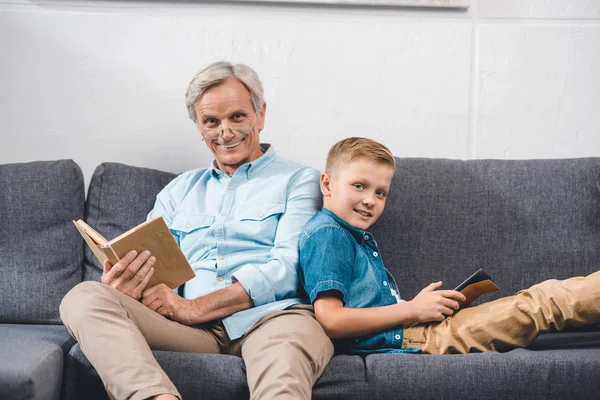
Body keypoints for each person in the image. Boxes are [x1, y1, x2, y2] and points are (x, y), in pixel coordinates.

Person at [60, 61, 333, 400]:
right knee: (84, 296)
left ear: (260, 115)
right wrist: (127, 285)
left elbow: (289, 270)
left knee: (283, 369)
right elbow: (160, 276)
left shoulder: (300, 180)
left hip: (274, 320)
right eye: (211, 121)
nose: (225, 132)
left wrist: (194, 307)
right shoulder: (179, 191)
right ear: (199, 128)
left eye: (237, 116)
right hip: (191, 331)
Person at [299, 136, 600, 355]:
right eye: (359, 186)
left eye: (381, 193)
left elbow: (366, 306)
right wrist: (412, 311)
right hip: (418, 338)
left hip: (417, 331)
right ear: (327, 184)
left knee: (541, 299)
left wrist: (416, 307)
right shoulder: (329, 234)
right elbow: (331, 320)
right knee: (540, 303)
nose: (370, 200)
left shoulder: (349, 235)